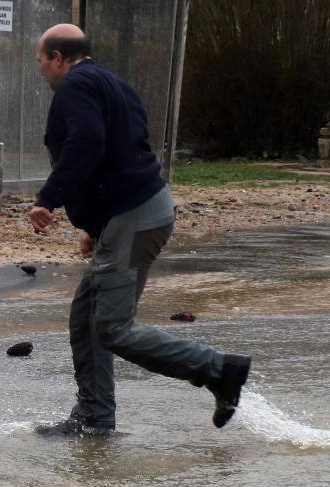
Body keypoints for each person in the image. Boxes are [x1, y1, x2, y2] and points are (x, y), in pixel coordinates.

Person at [28, 23, 251, 436]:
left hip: (137, 218)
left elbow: (87, 142)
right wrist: (98, 225)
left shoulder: (75, 86)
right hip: (134, 215)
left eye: (41, 62)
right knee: (87, 317)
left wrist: (48, 198)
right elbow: (124, 150)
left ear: (59, 58)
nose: (41, 71)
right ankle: (94, 417)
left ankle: (220, 369)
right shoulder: (113, 83)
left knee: (113, 326)